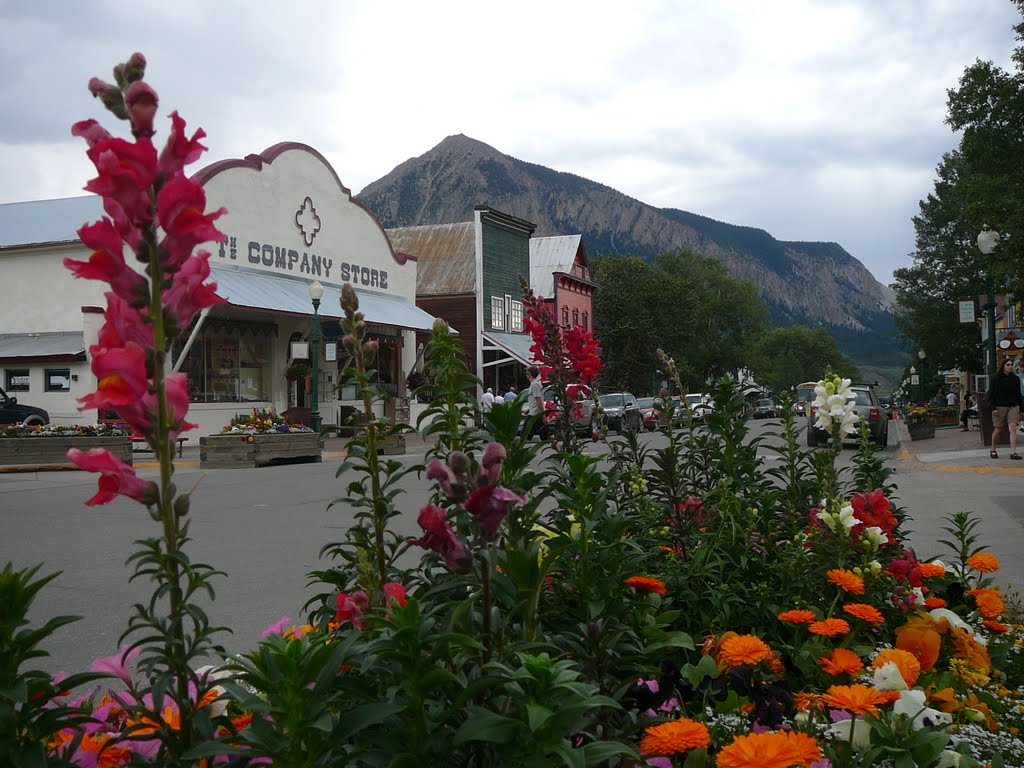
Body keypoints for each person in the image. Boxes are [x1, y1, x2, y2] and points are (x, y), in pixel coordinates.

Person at [986, 358, 1024, 459]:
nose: (1010, 366)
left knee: (1013, 428)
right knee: (998, 428)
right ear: (1003, 366)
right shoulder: (996, 379)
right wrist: (993, 407)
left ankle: (1013, 452)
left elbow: (1018, 394)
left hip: (1013, 406)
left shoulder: (1016, 379)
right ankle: (993, 449)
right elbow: (991, 394)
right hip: (999, 406)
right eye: (1008, 365)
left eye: (1011, 364)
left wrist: (1022, 409)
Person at [523, 365, 550, 441]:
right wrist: (529, 409)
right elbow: (536, 400)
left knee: (524, 435)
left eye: (527, 373)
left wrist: (543, 415)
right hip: (536, 413)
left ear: (530, 374)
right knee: (546, 436)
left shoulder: (535, 384)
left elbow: (538, 400)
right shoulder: (535, 384)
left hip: (535, 415)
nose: (526, 375)